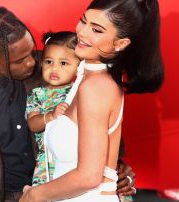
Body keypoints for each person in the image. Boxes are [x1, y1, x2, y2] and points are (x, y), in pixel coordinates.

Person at [0, 6, 137, 202]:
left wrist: (115, 170)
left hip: (54, 193)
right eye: (19, 60)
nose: (33, 62)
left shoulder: (54, 65)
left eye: (32, 51)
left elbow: (99, 122)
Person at [20, 0, 164, 201]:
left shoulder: (95, 87)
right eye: (83, 21)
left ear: (121, 43)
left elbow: (89, 177)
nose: (82, 32)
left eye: (96, 30)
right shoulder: (84, 72)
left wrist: (34, 195)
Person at [26, 31, 80, 187]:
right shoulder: (38, 94)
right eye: (49, 62)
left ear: (78, 66)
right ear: (42, 63)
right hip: (48, 161)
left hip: (77, 158)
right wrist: (50, 115)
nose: (54, 68)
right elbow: (32, 124)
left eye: (63, 63)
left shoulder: (80, 91)